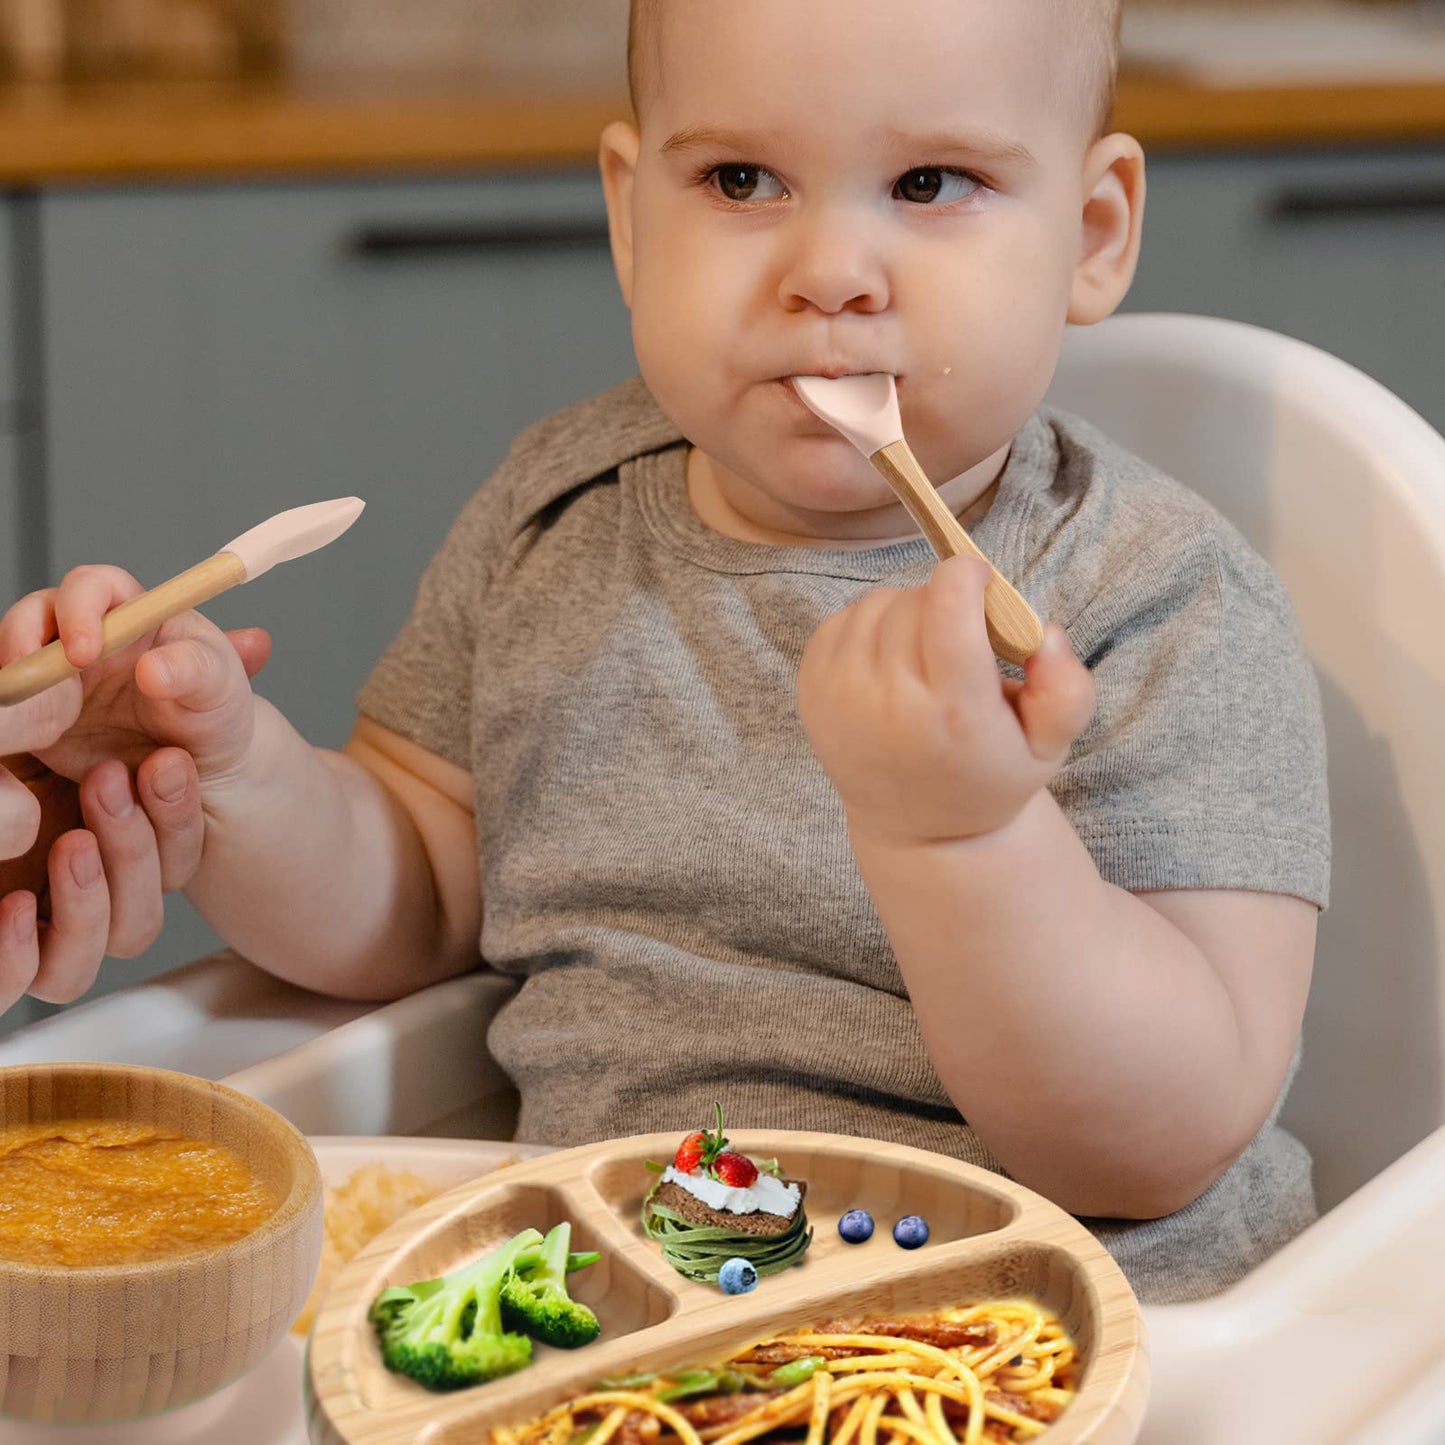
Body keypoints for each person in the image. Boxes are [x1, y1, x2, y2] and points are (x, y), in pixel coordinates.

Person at [0, 0, 1329, 1304]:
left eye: (929, 181)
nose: (831, 269)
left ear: (1090, 235)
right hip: (614, 1312)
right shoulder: (552, 514)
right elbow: (413, 889)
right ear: (633, 217)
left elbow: (1162, 1138)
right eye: (742, 179)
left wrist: (962, 839)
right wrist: (231, 770)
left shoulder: (1155, 595)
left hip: (1047, 1333)